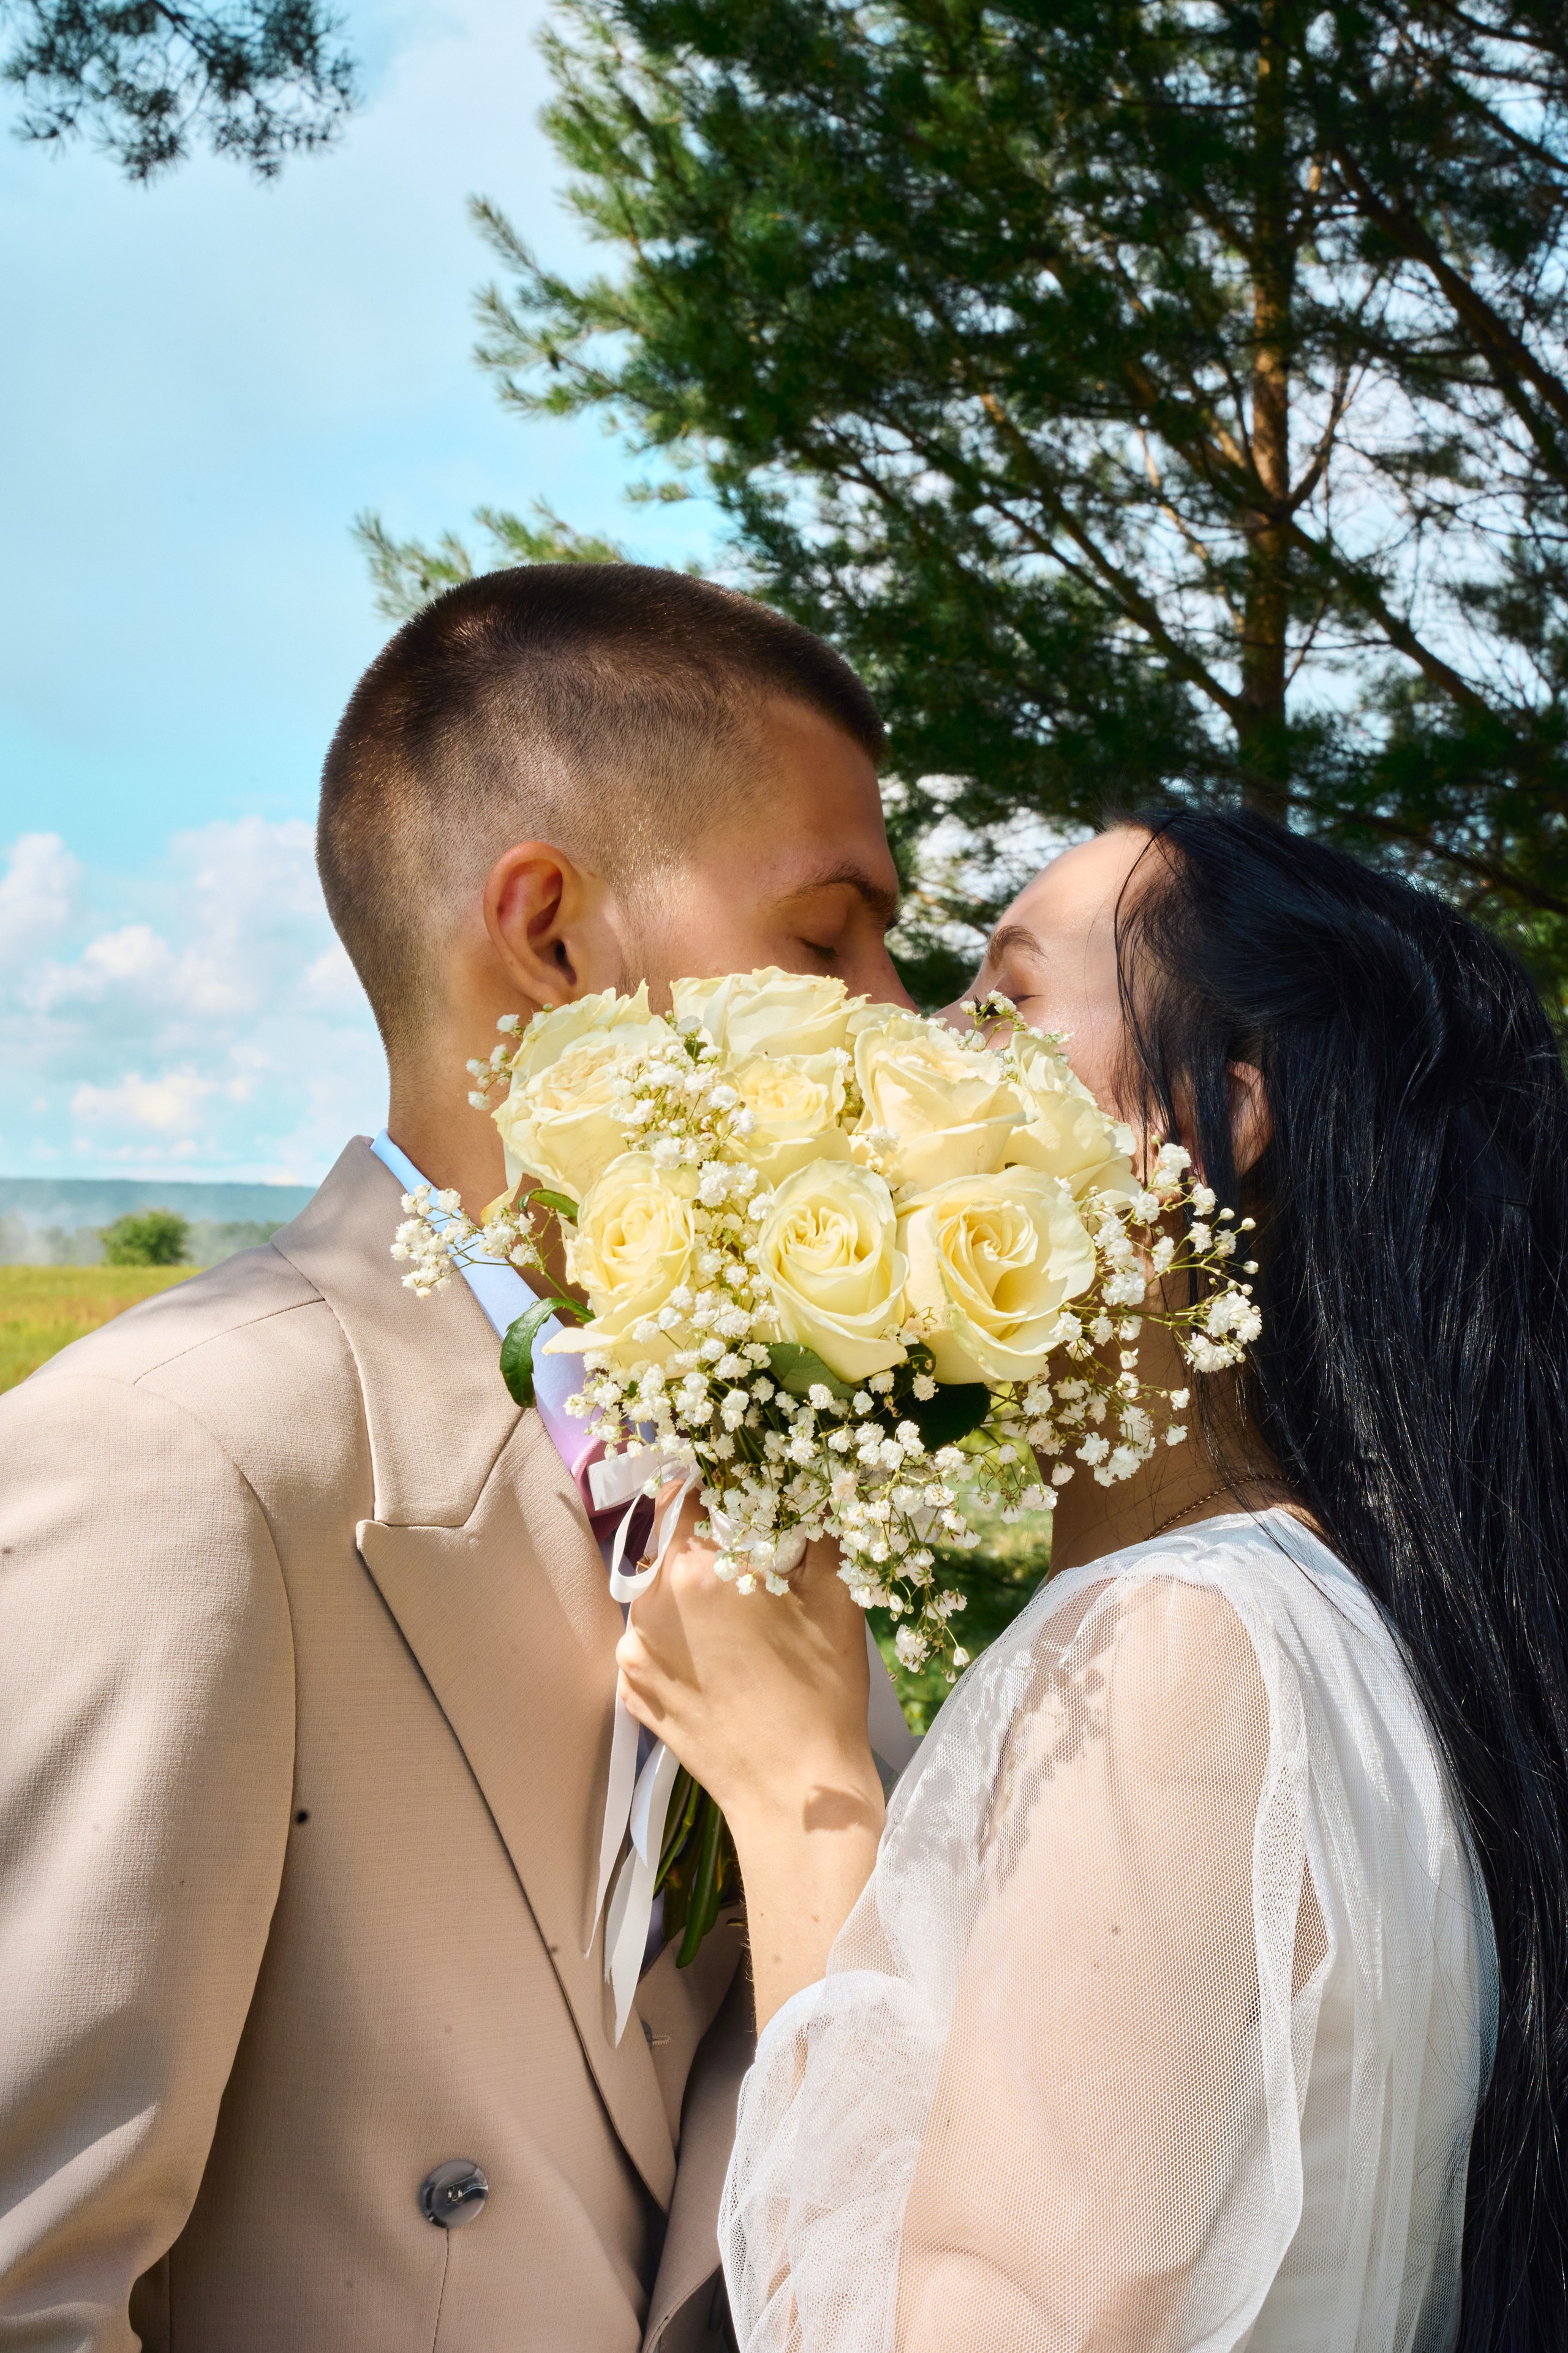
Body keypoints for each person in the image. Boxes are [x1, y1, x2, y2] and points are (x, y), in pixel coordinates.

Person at [0, 565, 913, 2352]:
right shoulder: (181, 1463)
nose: (895, 1009)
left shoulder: (788, 1459)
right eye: (828, 936)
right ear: (553, 934)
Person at [617, 809, 1568, 2349]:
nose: (912, 1039)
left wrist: (804, 1805)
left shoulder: (1180, 1646)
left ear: (1201, 1133)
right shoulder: (1330, 1614)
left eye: (999, 1004)